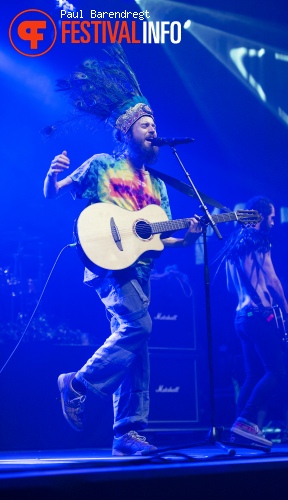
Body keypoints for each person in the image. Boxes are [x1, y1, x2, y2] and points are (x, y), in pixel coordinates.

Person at [43, 46, 202, 456]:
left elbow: (159, 237)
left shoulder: (160, 187)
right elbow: (53, 194)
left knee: (136, 346)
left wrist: (188, 236)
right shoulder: (100, 166)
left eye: (154, 125)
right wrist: (51, 176)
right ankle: (76, 383)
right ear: (125, 132)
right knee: (140, 328)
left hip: (141, 271)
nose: (153, 130)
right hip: (109, 265)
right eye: (145, 125)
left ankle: (126, 434)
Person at [218, 196, 288, 447]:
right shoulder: (260, 241)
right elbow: (273, 280)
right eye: (271, 216)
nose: (274, 221)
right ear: (260, 216)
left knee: (252, 375)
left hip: (240, 317)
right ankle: (246, 421)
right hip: (259, 314)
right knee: (277, 372)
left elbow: (230, 287)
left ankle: (237, 429)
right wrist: (286, 308)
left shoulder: (232, 246)